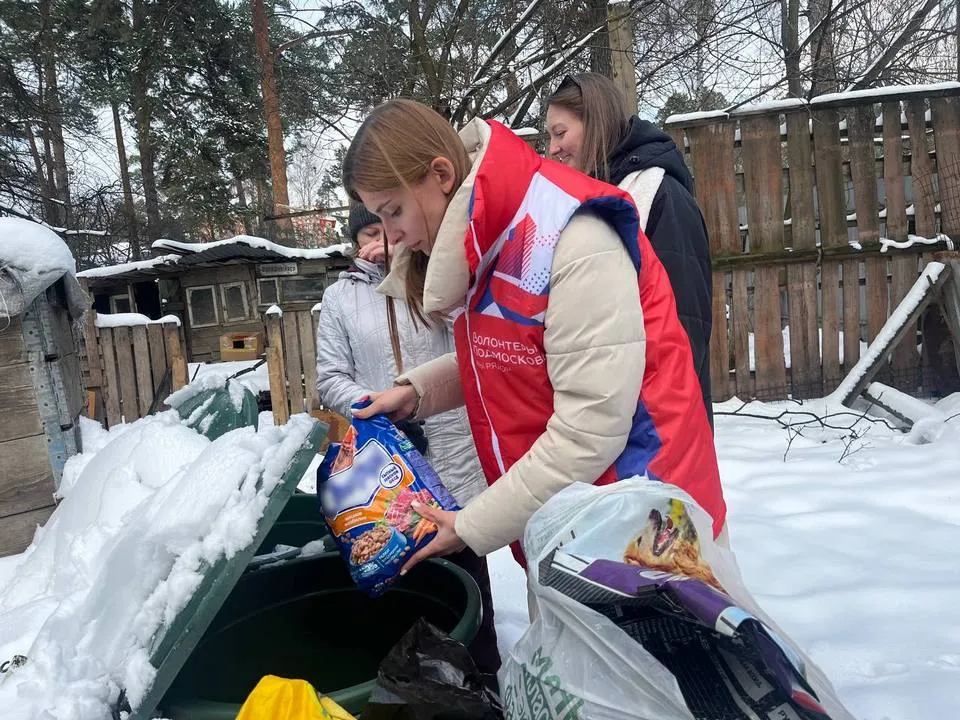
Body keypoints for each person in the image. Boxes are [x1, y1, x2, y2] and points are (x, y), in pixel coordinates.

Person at [344, 98, 727, 579]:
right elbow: (514, 356)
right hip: (575, 517)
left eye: (394, 210)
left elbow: (589, 430)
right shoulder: (488, 241)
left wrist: (470, 525)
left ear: (441, 175)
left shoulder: (570, 236)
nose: (391, 237)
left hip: (645, 521)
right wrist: (416, 392)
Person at [315, 202, 501, 680]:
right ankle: (410, 679)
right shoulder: (340, 298)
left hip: (453, 441)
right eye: (368, 234)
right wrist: (378, 405)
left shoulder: (430, 277)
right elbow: (330, 377)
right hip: (384, 458)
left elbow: (468, 344)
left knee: (464, 552)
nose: (380, 243)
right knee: (400, 561)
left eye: (388, 230)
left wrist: (413, 269)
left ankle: (481, 673)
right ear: (355, 242)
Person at [545, 73, 714, 427]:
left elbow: (685, 327)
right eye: (549, 137)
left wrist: (649, 423)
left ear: (597, 124)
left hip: (657, 426)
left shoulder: (660, 195)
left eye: (560, 133)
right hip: (608, 420)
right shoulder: (592, 200)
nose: (552, 148)